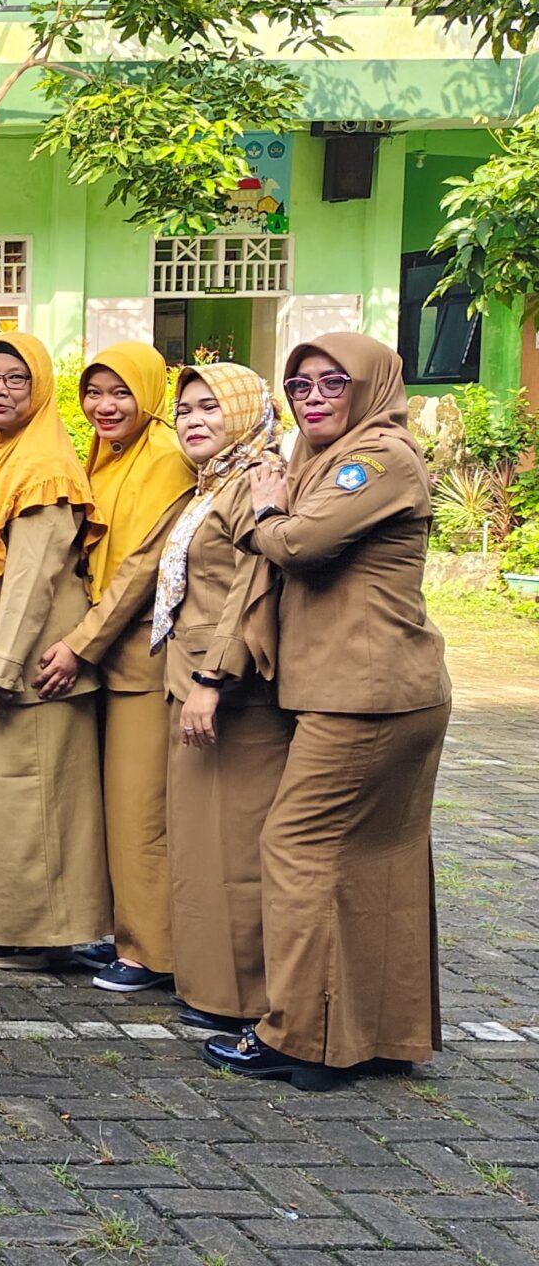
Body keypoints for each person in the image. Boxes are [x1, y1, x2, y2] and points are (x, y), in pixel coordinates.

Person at [207, 334, 449, 1090]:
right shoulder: (326, 458)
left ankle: (300, 1038)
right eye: (299, 385)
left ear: (371, 385)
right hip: (374, 689)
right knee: (373, 863)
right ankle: (377, 1033)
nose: (312, 397)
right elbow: (268, 533)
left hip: (364, 695)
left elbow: (300, 543)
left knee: (299, 849)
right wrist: (273, 508)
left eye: (332, 383)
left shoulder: (376, 459)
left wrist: (266, 506)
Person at [0, 333, 107, 970]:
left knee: (27, 807)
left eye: (15, 379)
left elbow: (34, 579)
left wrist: (1, 669)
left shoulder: (43, 467)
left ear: (40, 388)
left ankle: (21, 937)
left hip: (22, 670)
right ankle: (16, 928)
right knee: (2, 805)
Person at [33, 342, 199, 993]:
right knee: (113, 808)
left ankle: (153, 952)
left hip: (141, 659)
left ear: (149, 393)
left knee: (140, 812)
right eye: (94, 393)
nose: (104, 406)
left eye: (121, 392)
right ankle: (127, 933)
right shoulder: (110, 454)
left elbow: (140, 570)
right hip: (112, 657)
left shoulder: (162, 458)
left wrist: (80, 644)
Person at [142, 364, 287, 1036]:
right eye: (185, 410)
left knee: (235, 850)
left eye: (211, 407)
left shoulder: (258, 480)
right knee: (202, 844)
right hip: (194, 681)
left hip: (232, 693)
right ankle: (210, 987)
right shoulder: (212, 485)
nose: (194, 420)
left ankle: (244, 995)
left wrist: (212, 680)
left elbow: (250, 593)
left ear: (247, 411)